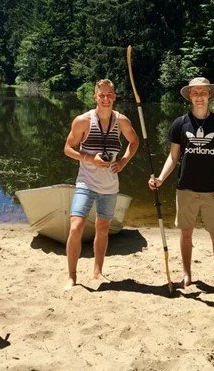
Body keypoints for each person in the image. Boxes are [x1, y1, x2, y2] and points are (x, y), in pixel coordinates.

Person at [148, 77, 214, 290]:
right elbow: (173, 157)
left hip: (213, 189)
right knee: (186, 233)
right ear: (190, 97)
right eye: (195, 93)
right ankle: (187, 275)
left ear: (209, 95)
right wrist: (160, 178)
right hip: (185, 188)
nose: (199, 96)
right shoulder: (180, 123)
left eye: (203, 92)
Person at [63, 79, 139, 290]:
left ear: (114, 97)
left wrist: (124, 161)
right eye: (101, 95)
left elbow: (135, 142)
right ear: (95, 97)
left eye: (109, 95)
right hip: (86, 183)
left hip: (110, 187)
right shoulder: (83, 121)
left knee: (103, 228)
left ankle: (98, 271)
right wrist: (89, 159)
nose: (105, 99)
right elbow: (67, 148)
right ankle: (71, 276)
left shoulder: (121, 121)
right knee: (76, 226)